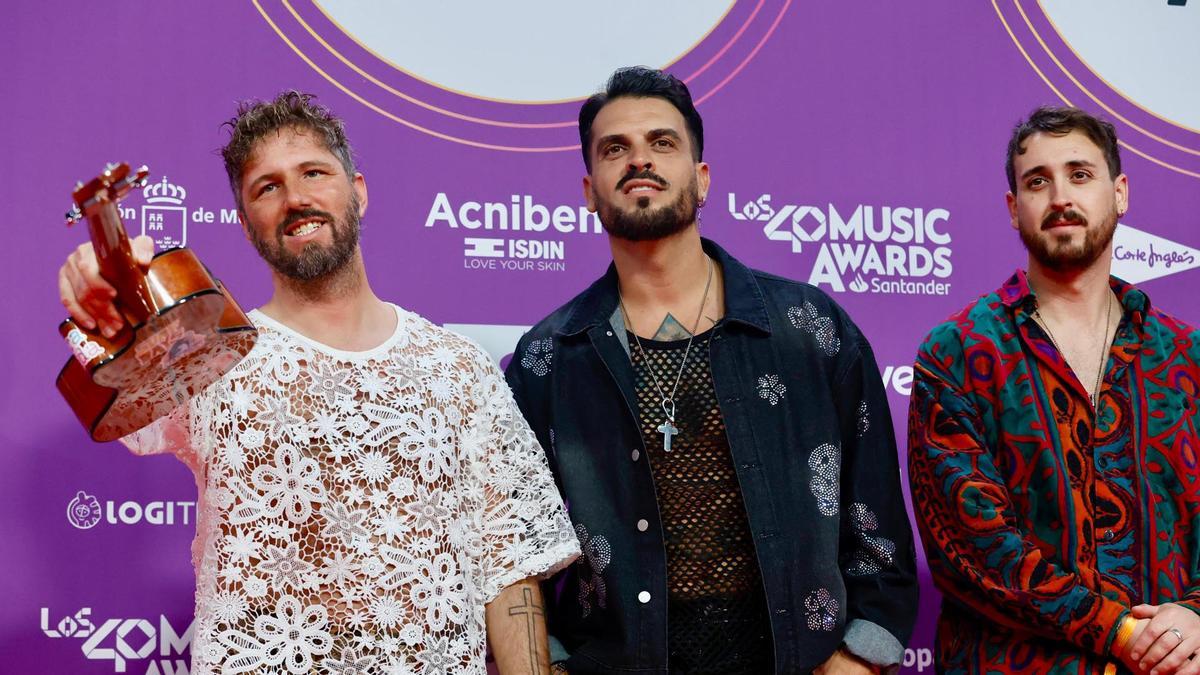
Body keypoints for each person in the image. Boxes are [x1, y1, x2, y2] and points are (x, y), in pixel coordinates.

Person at [57, 91, 579, 675]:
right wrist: (103, 292)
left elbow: (509, 570)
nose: (296, 198)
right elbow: (112, 381)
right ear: (244, 222)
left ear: (357, 190)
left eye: (313, 173)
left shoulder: (459, 367)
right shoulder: (213, 355)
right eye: (267, 187)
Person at [504, 66, 917, 674]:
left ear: (701, 180)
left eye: (662, 143)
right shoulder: (548, 360)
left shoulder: (809, 328)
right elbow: (517, 554)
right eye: (615, 148)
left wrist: (859, 660)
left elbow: (877, 521)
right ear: (589, 190)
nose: (639, 160)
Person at [907, 105, 1200, 674]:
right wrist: (1121, 633)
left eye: (1080, 175)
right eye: (1037, 182)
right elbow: (971, 550)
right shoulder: (959, 353)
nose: (1060, 196)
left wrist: (1195, 614)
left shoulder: (1186, 357)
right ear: (1015, 209)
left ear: (1120, 193)